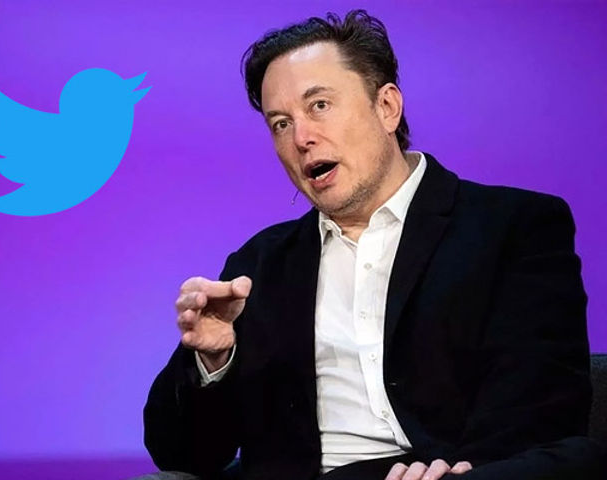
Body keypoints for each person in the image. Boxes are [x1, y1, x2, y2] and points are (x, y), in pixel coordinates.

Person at [141, 10, 604, 480]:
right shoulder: (259, 265)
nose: (301, 138)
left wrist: (459, 475)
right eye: (280, 123)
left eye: (319, 105)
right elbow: (181, 455)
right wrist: (214, 359)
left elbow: (543, 407)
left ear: (386, 107)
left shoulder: (513, 227)